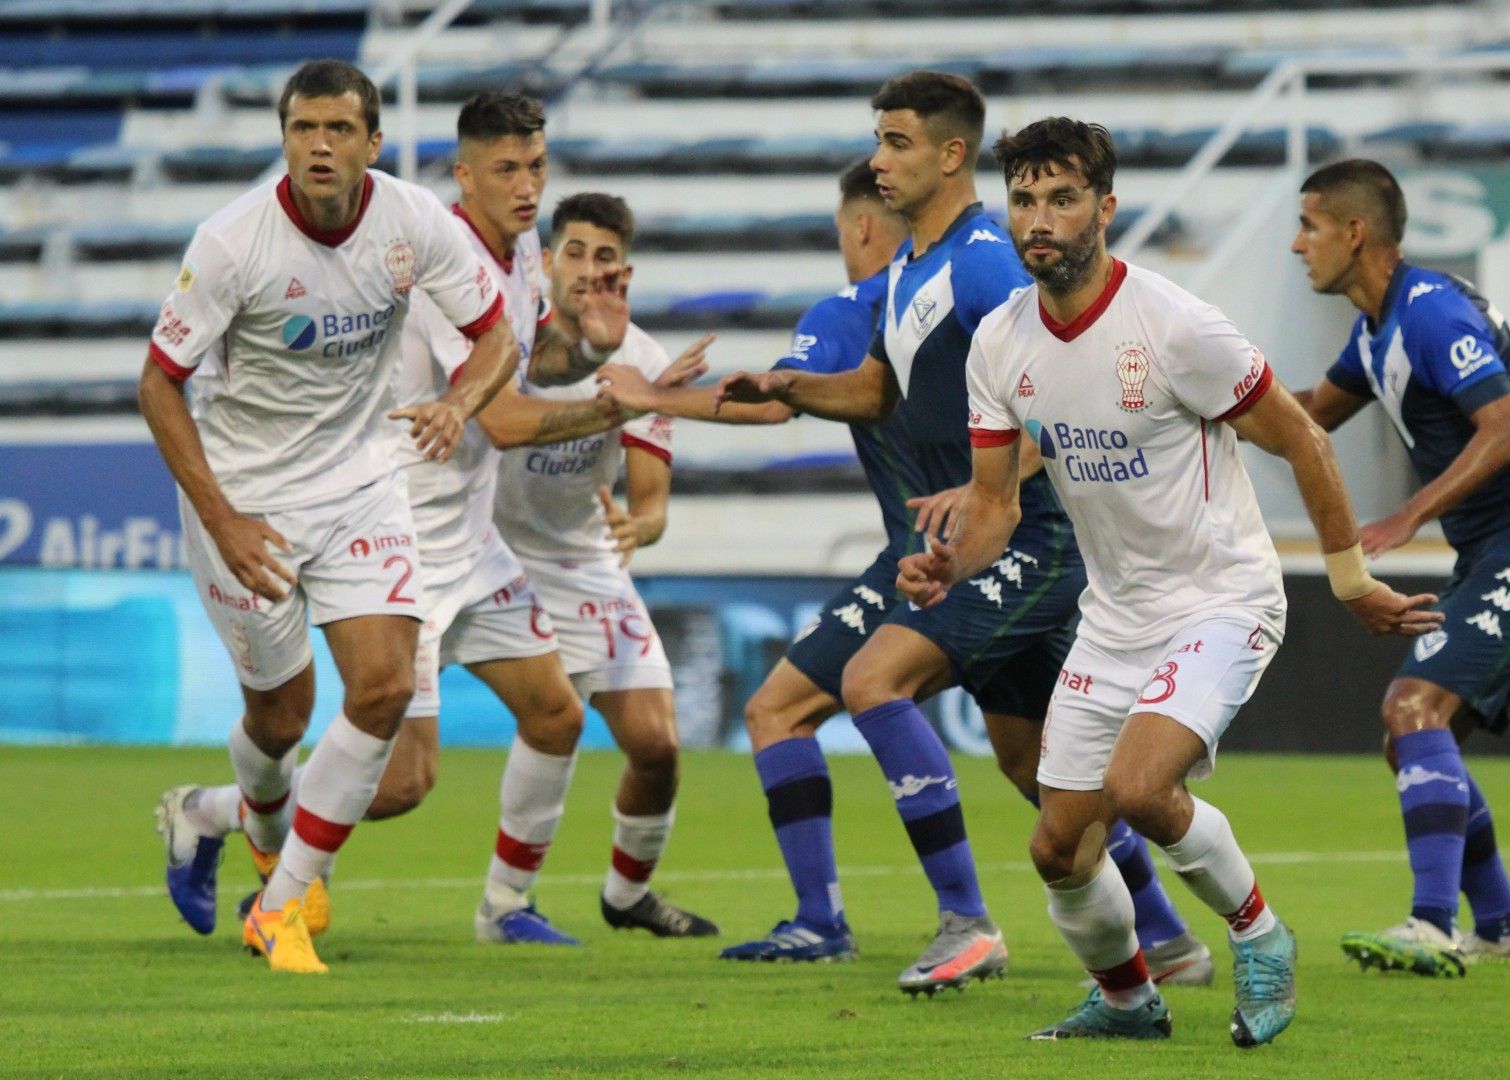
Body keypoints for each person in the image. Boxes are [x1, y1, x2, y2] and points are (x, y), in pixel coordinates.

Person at [598, 159, 1207, 983]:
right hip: (940, 550)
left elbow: (784, 401)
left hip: (994, 546)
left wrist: (652, 396)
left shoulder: (876, 299)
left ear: (857, 226)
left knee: (858, 687)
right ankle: (1166, 940)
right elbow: (845, 394)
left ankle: (952, 920)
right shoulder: (934, 289)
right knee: (1030, 768)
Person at [900, 117, 1440, 1044]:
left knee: (1144, 791)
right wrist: (953, 561)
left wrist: (1348, 579)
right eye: (1025, 200)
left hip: (1221, 598)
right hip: (1115, 618)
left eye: (1062, 199)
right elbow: (994, 505)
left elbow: (1302, 435)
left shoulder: (1175, 326)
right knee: (1057, 848)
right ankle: (1127, 1000)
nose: (1040, 220)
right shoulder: (999, 342)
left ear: (1105, 210)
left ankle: (1261, 936)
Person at [144, 59, 518, 973]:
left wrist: (460, 405)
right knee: (280, 721)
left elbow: (497, 332)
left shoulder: (412, 220)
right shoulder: (234, 243)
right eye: (304, 128)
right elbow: (160, 384)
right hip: (249, 501)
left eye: (339, 130)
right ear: (284, 137)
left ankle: (278, 906)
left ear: (372, 143)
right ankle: (212, 815)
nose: (319, 145)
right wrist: (224, 519)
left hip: (361, 482)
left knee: (384, 689)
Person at [1288, 158, 1510, 976]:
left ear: (1356, 233)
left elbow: (1507, 430)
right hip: (1496, 555)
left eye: (1310, 225)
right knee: (1417, 742)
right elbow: (1303, 418)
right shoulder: (1377, 329)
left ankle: (1431, 925)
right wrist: (1192, 403)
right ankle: (1500, 925)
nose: (1297, 245)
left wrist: (1409, 512)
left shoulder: (1429, 314)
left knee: (1411, 706)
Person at [490, 191, 718, 938]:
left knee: (657, 746)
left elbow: (651, 502)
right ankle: (284, 857)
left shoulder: (644, 360)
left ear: (627, 270)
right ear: (548, 259)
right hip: (474, 546)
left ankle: (625, 896)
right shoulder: (502, 338)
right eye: (576, 253)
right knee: (400, 763)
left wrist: (636, 529)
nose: (590, 269)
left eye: (606, 257)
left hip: (579, 558)